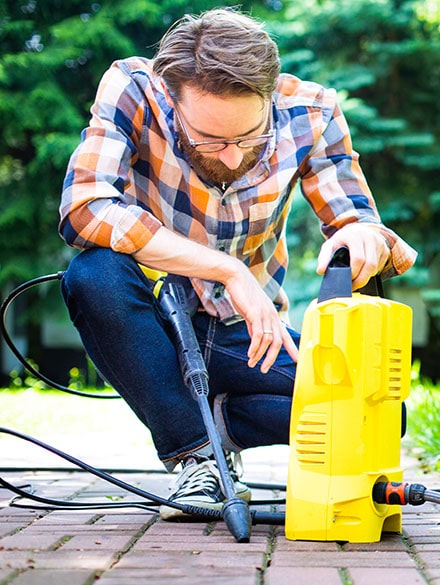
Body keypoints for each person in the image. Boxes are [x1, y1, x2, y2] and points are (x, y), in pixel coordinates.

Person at [57, 8, 416, 520]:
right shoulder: (134, 88)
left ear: (270, 96)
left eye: (247, 138)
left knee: (382, 416)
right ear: (171, 96)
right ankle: (197, 456)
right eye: (209, 140)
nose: (229, 157)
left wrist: (361, 236)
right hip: (157, 320)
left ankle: (216, 420)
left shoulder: (312, 112)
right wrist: (227, 270)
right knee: (93, 275)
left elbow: (357, 219)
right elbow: (84, 208)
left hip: (248, 334)